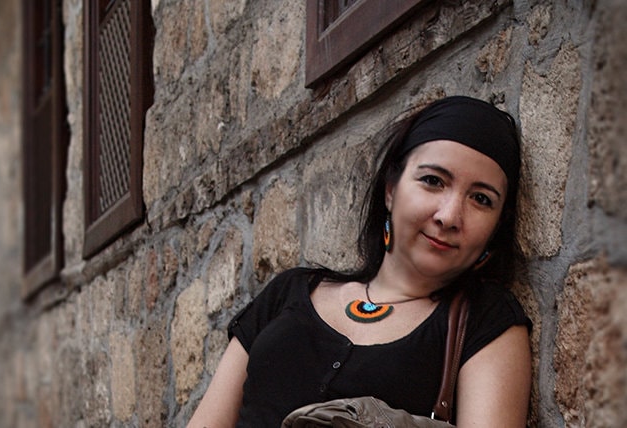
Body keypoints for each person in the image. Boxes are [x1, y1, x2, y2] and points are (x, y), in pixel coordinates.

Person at [188, 96, 532, 427]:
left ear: (496, 225)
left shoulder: (486, 321)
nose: (449, 216)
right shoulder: (288, 292)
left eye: (481, 199)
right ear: (391, 189)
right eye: (433, 181)